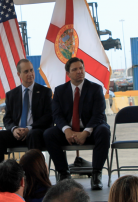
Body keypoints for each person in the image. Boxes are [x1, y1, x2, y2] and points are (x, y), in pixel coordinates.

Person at [43, 57, 110, 190]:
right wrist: (67, 130)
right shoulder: (60, 91)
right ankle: (64, 174)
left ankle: (96, 174)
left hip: (91, 130)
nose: (79, 71)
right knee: (49, 134)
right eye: (75, 69)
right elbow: (56, 115)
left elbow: (99, 115)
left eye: (81, 68)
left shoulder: (95, 89)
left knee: (104, 130)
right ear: (68, 74)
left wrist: (85, 133)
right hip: (68, 132)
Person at [0, 59, 52, 168]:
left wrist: (29, 128)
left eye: (31, 70)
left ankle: (34, 174)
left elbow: (48, 116)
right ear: (19, 74)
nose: (30, 74)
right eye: (26, 71)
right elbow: (7, 119)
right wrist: (14, 129)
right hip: (17, 134)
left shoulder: (45, 92)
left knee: (33, 135)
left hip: (34, 132)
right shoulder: (12, 95)